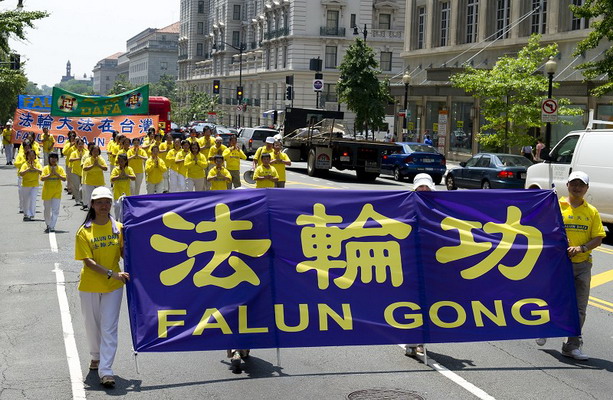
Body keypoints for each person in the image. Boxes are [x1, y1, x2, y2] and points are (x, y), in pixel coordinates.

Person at [535, 171, 605, 360]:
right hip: (558, 265)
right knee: (554, 300)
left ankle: (572, 345)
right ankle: (546, 328)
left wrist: (582, 248)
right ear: (567, 185)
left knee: (579, 308)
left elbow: (598, 238)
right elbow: (543, 229)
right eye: (574, 184)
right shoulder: (556, 206)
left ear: (586, 189)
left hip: (582, 265)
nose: (577, 188)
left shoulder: (591, 211)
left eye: (581, 185)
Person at [75, 186, 130, 387]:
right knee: (92, 326)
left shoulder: (120, 228)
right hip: (90, 285)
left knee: (109, 327)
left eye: (107, 202)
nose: (104, 206)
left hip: (114, 286)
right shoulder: (84, 231)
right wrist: (111, 273)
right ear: (92, 205)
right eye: (99, 202)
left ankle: (106, 370)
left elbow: (125, 253)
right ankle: (95, 355)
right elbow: (88, 261)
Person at [404, 172, 435, 357]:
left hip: (430, 260)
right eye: (420, 187)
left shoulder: (437, 205)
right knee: (411, 302)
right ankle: (410, 341)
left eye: (426, 187)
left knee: (426, 303)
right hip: (410, 259)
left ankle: (421, 343)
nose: (423, 190)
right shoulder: (407, 203)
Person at [41, 153, 66, 233]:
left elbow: (64, 178)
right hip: (47, 192)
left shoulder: (60, 168)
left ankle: (52, 226)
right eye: (51, 158)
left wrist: (56, 174)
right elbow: (42, 178)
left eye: (55, 158)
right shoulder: (45, 168)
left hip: (57, 192)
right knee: (47, 210)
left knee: (55, 210)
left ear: (57, 159)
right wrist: (50, 175)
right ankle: (48, 224)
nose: (53, 159)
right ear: (49, 159)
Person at [109, 154, 136, 221]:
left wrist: (127, 175)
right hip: (117, 191)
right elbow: (112, 179)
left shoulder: (129, 169)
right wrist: (119, 176)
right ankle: (116, 219)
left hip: (126, 191)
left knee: (125, 207)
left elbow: (134, 178)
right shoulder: (115, 169)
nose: (120, 163)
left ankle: (123, 220)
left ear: (125, 161)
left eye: (122, 161)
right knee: (117, 206)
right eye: (119, 161)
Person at [81, 145, 108, 210]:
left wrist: (98, 165)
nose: (95, 153)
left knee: (100, 198)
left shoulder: (101, 159)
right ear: (91, 152)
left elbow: (105, 168)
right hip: (90, 183)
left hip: (99, 182)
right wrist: (93, 165)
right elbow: (85, 168)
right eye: (94, 151)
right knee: (90, 198)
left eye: (97, 151)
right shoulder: (88, 160)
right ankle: (91, 212)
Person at [19, 149, 42, 221]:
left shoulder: (37, 164)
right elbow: (21, 173)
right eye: (30, 156)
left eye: (33, 155)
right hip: (26, 185)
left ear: (35, 156)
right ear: (27, 156)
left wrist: (35, 168)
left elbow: (41, 172)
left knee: (33, 199)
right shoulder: (25, 165)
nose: (31, 157)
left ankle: (31, 214)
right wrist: (28, 169)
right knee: (26, 200)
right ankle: (26, 214)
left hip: (34, 185)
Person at [68, 138, 86, 207]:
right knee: (76, 187)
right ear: (77, 145)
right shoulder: (74, 152)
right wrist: (78, 158)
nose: (80, 145)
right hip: (75, 171)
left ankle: (82, 199)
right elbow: (70, 159)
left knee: (83, 187)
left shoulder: (86, 152)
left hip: (83, 171)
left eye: (82, 144)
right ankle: (77, 200)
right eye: (79, 144)